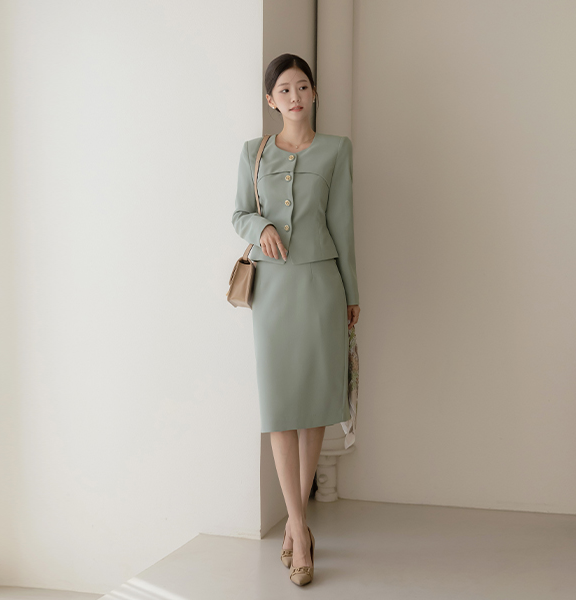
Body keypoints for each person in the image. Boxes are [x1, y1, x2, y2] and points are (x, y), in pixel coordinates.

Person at [231, 53, 361, 586]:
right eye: (284, 89)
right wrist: (259, 226)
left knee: (312, 411)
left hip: (321, 287)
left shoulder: (336, 150)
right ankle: (300, 527)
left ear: (313, 93)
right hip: (273, 293)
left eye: (302, 86)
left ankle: (295, 526)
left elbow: (343, 224)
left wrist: (352, 293)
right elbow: (238, 212)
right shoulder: (253, 151)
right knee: (280, 409)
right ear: (271, 100)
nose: (294, 96)